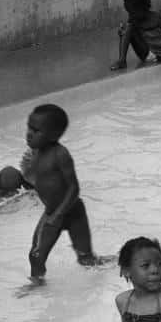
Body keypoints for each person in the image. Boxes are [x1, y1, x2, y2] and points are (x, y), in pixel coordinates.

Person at [23, 104, 100, 283]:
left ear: (53, 134)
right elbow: (37, 181)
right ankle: (37, 283)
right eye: (29, 127)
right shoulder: (35, 153)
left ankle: (107, 266)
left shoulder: (60, 154)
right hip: (51, 213)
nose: (29, 133)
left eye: (36, 130)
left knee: (85, 258)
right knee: (36, 255)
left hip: (73, 213)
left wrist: (59, 214)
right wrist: (27, 172)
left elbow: (74, 188)